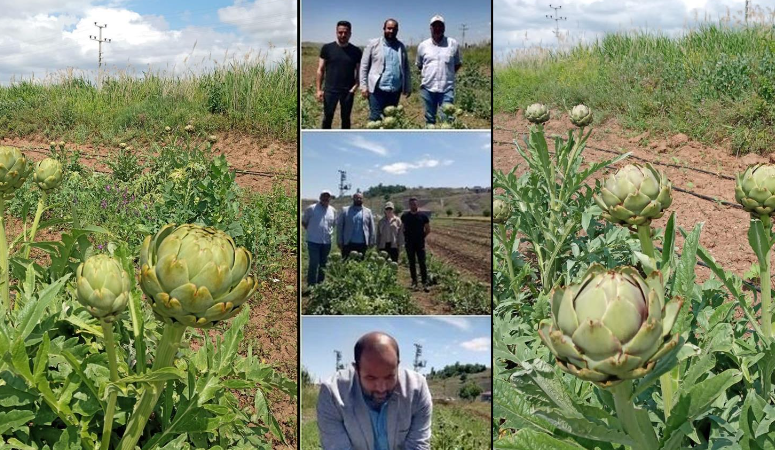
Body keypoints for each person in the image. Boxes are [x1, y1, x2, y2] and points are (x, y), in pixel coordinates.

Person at [316, 332, 432, 450]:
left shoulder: (416, 389)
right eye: (371, 378)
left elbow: (417, 447)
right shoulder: (333, 394)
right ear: (356, 369)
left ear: (398, 366)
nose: (381, 388)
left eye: (389, 377)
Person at [359, 19, 412, 122]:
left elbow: (406, 68)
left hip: (395, 90)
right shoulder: (373, 44)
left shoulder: (401, 46)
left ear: (397, 30)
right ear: (384, 29)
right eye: (389, 28)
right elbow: (364, 66)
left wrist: (408, 86)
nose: (391, 31)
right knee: (376, 118)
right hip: (377, 89)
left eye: (394, 29)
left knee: (390, 119)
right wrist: (363, 86)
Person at [416, 15, 462, 125]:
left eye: (440, 26)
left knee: (446, 120)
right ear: (430, 28)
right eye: (434, 26)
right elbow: (420, 65)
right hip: (428, 88)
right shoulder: (423, 45)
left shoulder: (453, 44)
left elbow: (457, 64)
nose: (437, 28)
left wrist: (447, 74)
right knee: (430, 119)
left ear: (444, 27)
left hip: (447, 89)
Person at [317, 21, 362, 129]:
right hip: (330, 90)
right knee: (327, 117)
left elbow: (360, 72)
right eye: (340, 32)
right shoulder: (327, 48)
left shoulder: (356, 51)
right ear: (336, 32)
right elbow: (320, 69)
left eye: (345, 32)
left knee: (346, 119)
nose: (343, 35)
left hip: (347, 91)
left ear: (350, 33)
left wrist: (354, 88)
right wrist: (318, 90)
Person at [302, 190, 337, 287]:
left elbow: (333, 225)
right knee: (314, 262)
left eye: (328, 196)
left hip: (327, 242)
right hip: (313, 241)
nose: (326, 198)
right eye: (324, 196)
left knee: (324, 263)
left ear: (330, 198)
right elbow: (304, 222)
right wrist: (312, 231)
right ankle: (311, 284)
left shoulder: (333, 210)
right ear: (320, 197)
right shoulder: (311, 209)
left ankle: (320, 283)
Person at [401, 197, 431, 292]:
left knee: (422, 262)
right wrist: (405, 238)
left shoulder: (423, 216)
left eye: (414, 204)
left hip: (420, 244)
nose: (413, 205)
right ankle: (414, 282)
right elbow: (402, 229)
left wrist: (422, 237)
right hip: (409, 243)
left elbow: (428, 229)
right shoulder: (405, 216)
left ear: (417, 204)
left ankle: (425, 282)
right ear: (409, 205)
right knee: (411, 263)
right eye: (411, 204)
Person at [336, 192, 376, 258]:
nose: (359, 199)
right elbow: (340, 227)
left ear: (363, 199)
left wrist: (372, 241)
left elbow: (372, 227)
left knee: (361, 265)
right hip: (348, 243)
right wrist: (339, 241)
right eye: (357, 198)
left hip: (362, 244)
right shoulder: (345, 210)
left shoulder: (368, 211)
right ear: (353, 199)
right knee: (346, 264)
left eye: (360, 198)